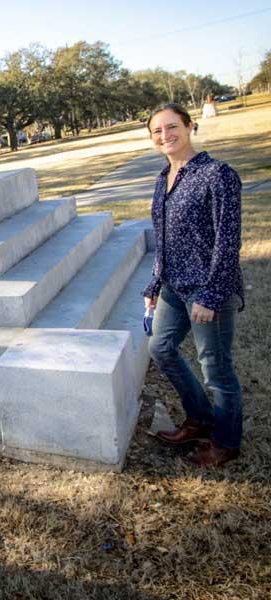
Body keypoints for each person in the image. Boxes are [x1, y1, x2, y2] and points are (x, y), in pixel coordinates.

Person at [143, 104, 244, 468]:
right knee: (161, 347)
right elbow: (163, 238)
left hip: (206, 289)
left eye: (172, 127)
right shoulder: (162, 178)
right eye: (157, 131)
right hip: (172, 286)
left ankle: (225, 442)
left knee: (215, 367)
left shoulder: (217, 175)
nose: (165, 135)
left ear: (189, 126)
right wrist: (154, 284)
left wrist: (213, 294)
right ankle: (200, 418)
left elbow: (228, 241)